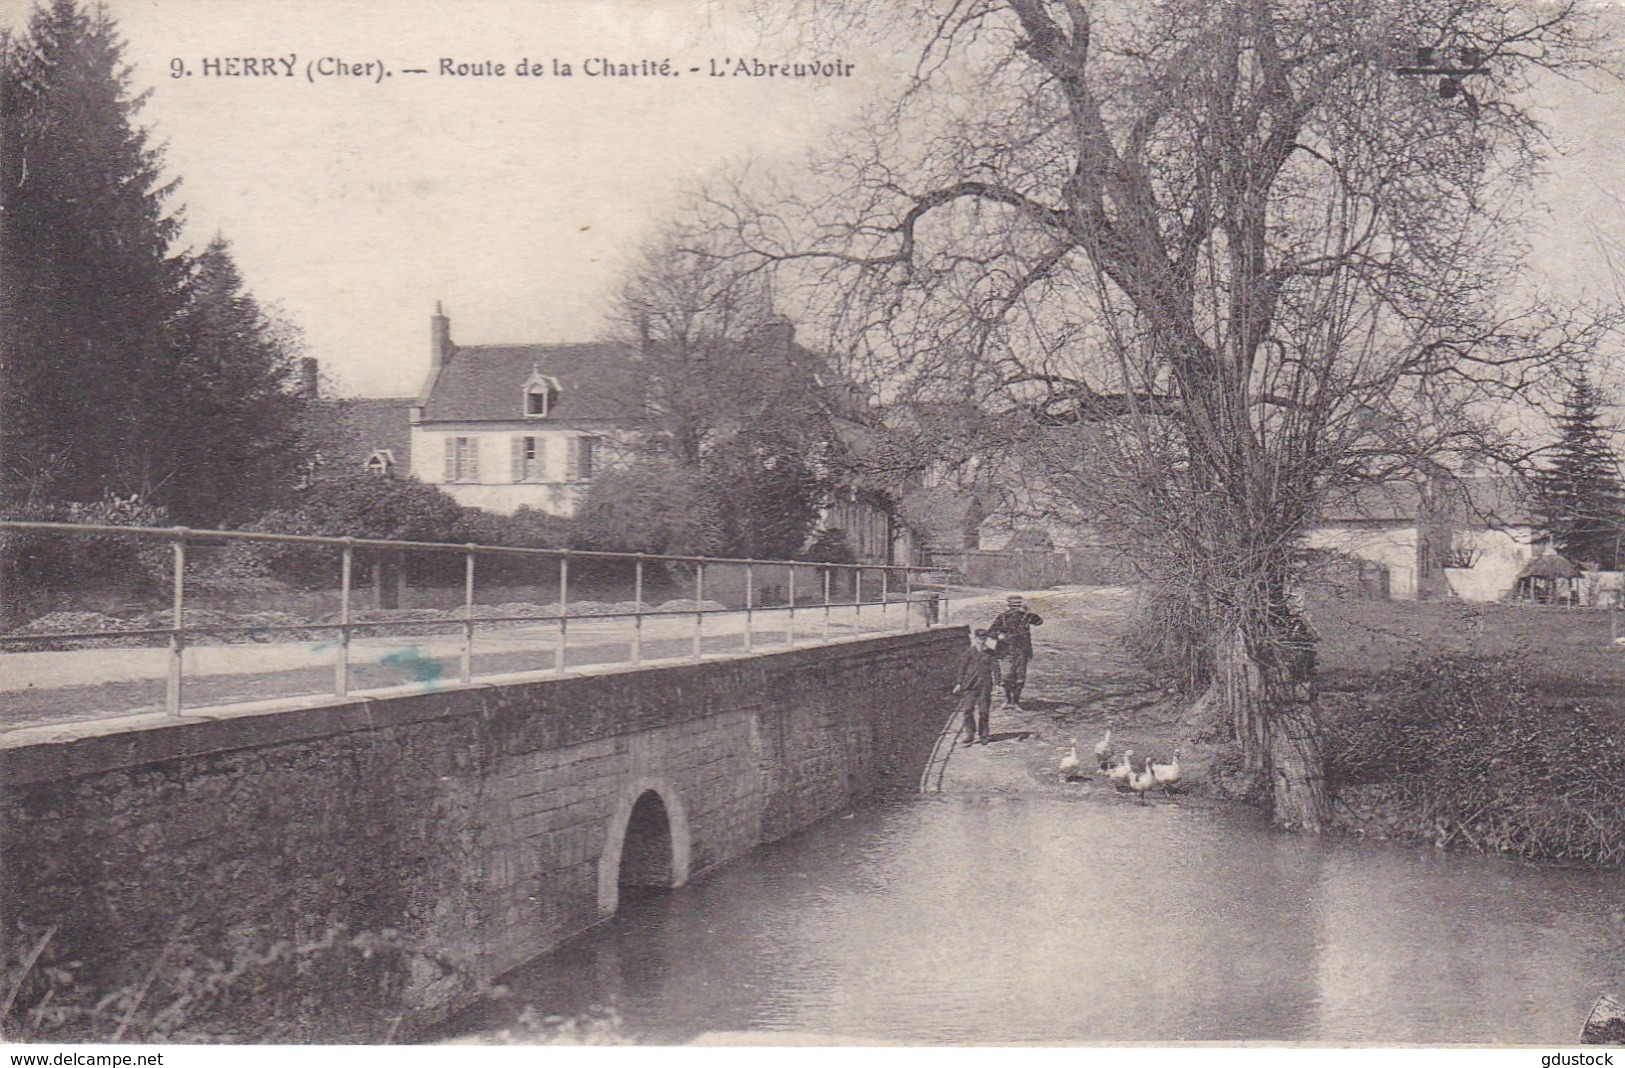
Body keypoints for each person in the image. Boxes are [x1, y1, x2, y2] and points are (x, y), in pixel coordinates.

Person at [988, 594, 1043, 710]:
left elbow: (1039, 622)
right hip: (1006, 652)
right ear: (1008, 606)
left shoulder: (1027, 617)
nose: (1015, 609)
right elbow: (991, 631)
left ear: (1021, 605)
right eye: (1013, 606)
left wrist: (1030, 611)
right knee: (1006, 677)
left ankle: (1016, 702)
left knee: (1020, 678)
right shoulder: (1002, 617)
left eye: (1018, 606)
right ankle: (1008, 700)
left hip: (1022, 652)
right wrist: (999, 636)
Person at [951, 628, 1000, 745]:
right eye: (979, 639)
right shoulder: (969, 652)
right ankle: (970, 734)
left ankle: (984, 735)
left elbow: (996, 668)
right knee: (968, 710)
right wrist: (959, 683)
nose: (982, 641)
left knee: (983, 711)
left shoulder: (990, 653)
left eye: (984, 639)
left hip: (984, 686)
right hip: (969, 685)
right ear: (975, 638)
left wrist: (998, 684)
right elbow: (962, 668)